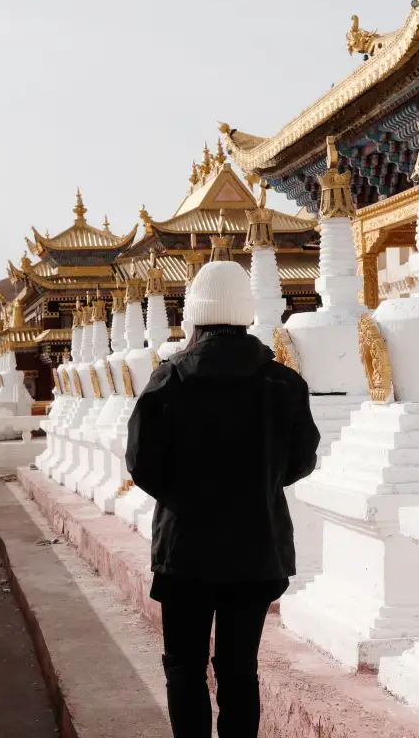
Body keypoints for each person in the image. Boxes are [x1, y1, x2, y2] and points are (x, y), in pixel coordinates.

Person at [126, 260, 320, 738]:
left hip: (185, 551)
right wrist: (257, 484)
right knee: (239, 670)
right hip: (257, 550)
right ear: (246, 314)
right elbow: (302, 461)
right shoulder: (284, 383)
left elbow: (141, 464)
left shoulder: (169, 381)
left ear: (194, 315)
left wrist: (185, 496)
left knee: (185, 667)